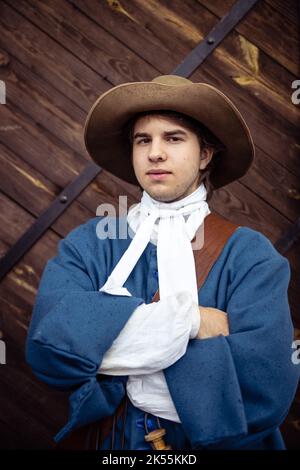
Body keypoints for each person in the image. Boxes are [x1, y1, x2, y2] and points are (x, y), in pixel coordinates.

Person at [26, 75, 299, 450]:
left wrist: (104, 346)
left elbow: (264, 388)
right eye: (143, 140)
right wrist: (190, 321)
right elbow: (49, 349)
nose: (155, 153)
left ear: (205, 154)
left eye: (173, 138)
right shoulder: (89, 245)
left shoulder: (251, 256)